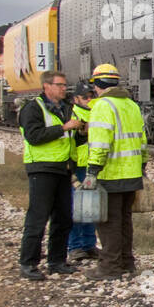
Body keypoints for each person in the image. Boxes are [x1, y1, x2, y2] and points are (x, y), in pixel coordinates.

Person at [82, 63, 146, 279]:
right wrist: (142, 167)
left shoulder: (102, 106)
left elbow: (100, 144)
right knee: (125, 221)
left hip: (110, 174)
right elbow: (143, 142)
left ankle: (110, 267)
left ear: (97, 84)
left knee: (108, 222)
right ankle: (127, 263)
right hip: (132, 174)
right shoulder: (132, 105)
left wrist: (92, 171)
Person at [18, 70, 83, 280]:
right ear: (47, 86)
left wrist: (81, 132)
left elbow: (71, 138)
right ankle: (28, 263)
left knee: (63, 217)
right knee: (38, 218)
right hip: (42, 168)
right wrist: (63, 127)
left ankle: (57, 261)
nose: (65, 88)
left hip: (63, 169)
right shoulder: (33, 109)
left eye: (65, 85)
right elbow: (34, 136)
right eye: (60, 85)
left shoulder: (67, 108)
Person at [67, 81, 98, 261]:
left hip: (92, 165)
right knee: (76, 207)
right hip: (78, 165)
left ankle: (89, 244)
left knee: (91, 207)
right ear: (75, 98)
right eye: (85, 97)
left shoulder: (97, 112)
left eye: (90, 96)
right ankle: (75, 246)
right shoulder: (73, 114)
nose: (88, 99)